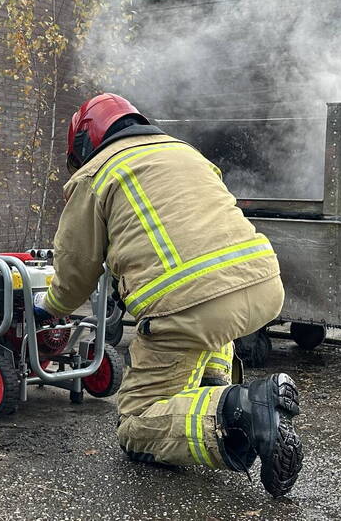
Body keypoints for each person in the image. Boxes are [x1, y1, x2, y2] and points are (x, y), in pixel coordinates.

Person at [32, 93, 303, 497]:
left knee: (135, 425)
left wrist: (47, 307)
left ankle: (239, 413)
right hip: (261, 285)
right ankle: (216, 389)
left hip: (191, 306)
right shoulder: (186, 153)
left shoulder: (96, 176)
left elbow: (75, 271)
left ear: (86, 143)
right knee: (212, 321)